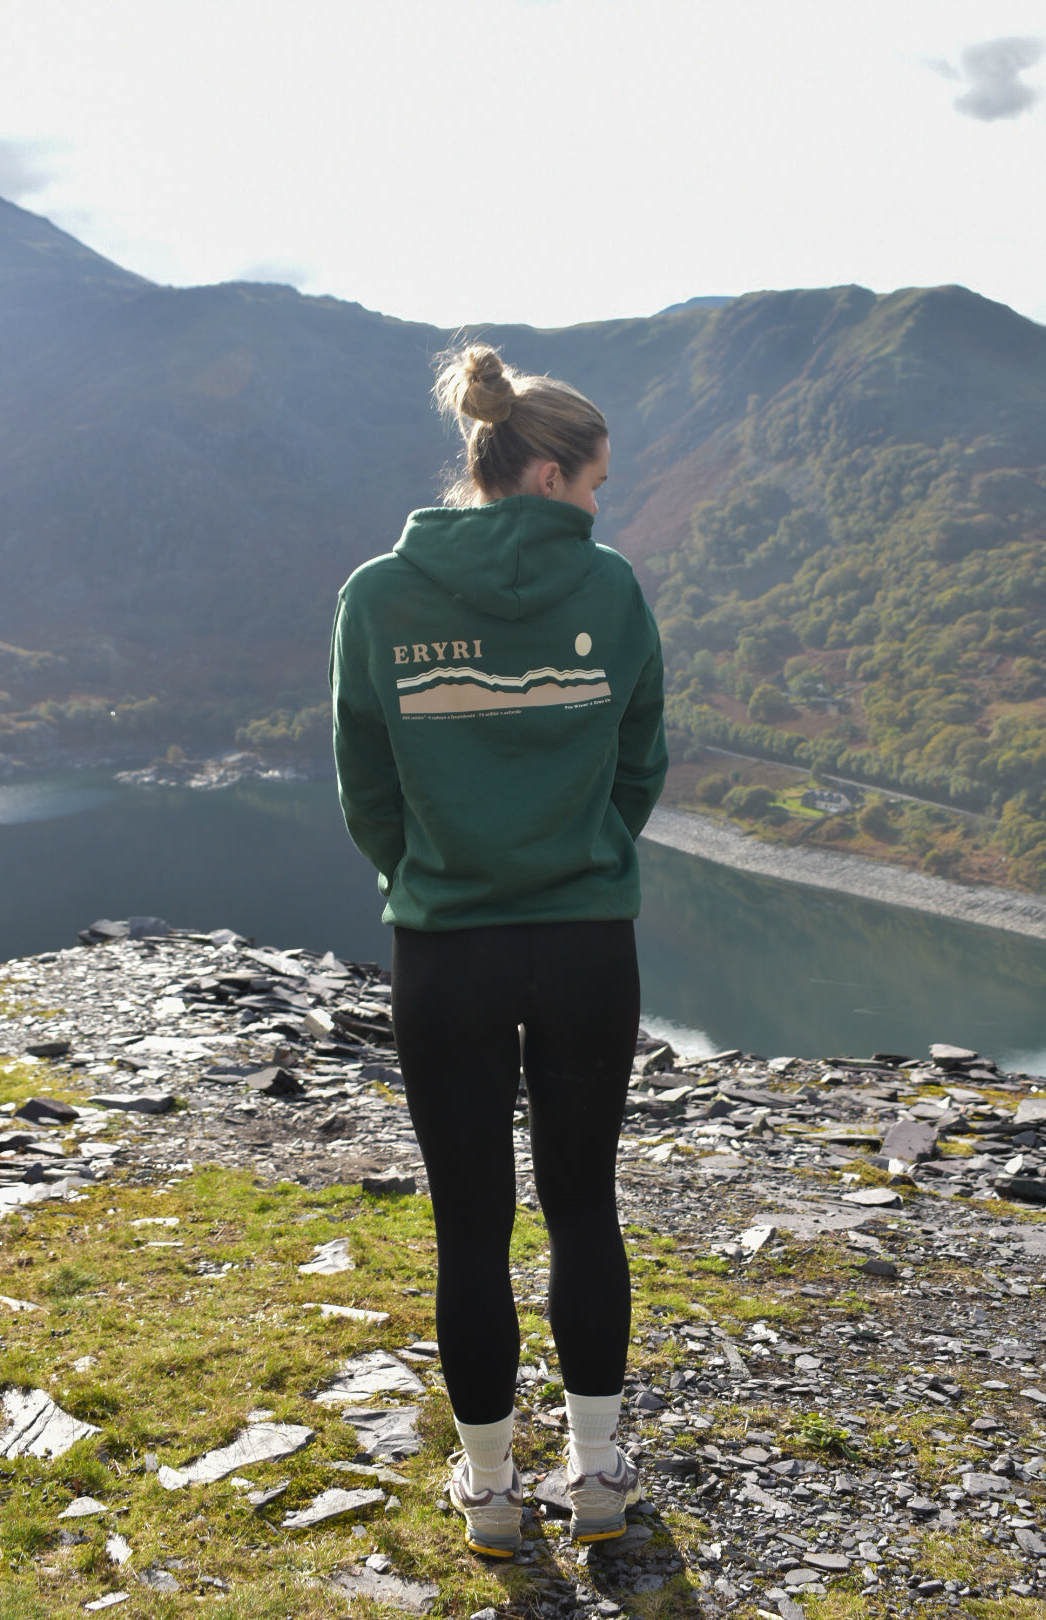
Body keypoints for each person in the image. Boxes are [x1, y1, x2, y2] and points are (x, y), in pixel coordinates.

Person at [329, 344, 667, 1558]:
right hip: (587, 946)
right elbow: (639, 760)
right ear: (544, 472)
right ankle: (598, 1479)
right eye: (595, 484)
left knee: (469, 1226)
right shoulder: (611, 590)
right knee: (584, 1207)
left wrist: (430, 876)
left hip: (447, 953)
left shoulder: (379, 595)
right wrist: (581, 855)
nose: (599, 507)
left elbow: (367, 782)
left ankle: (489, 1495)